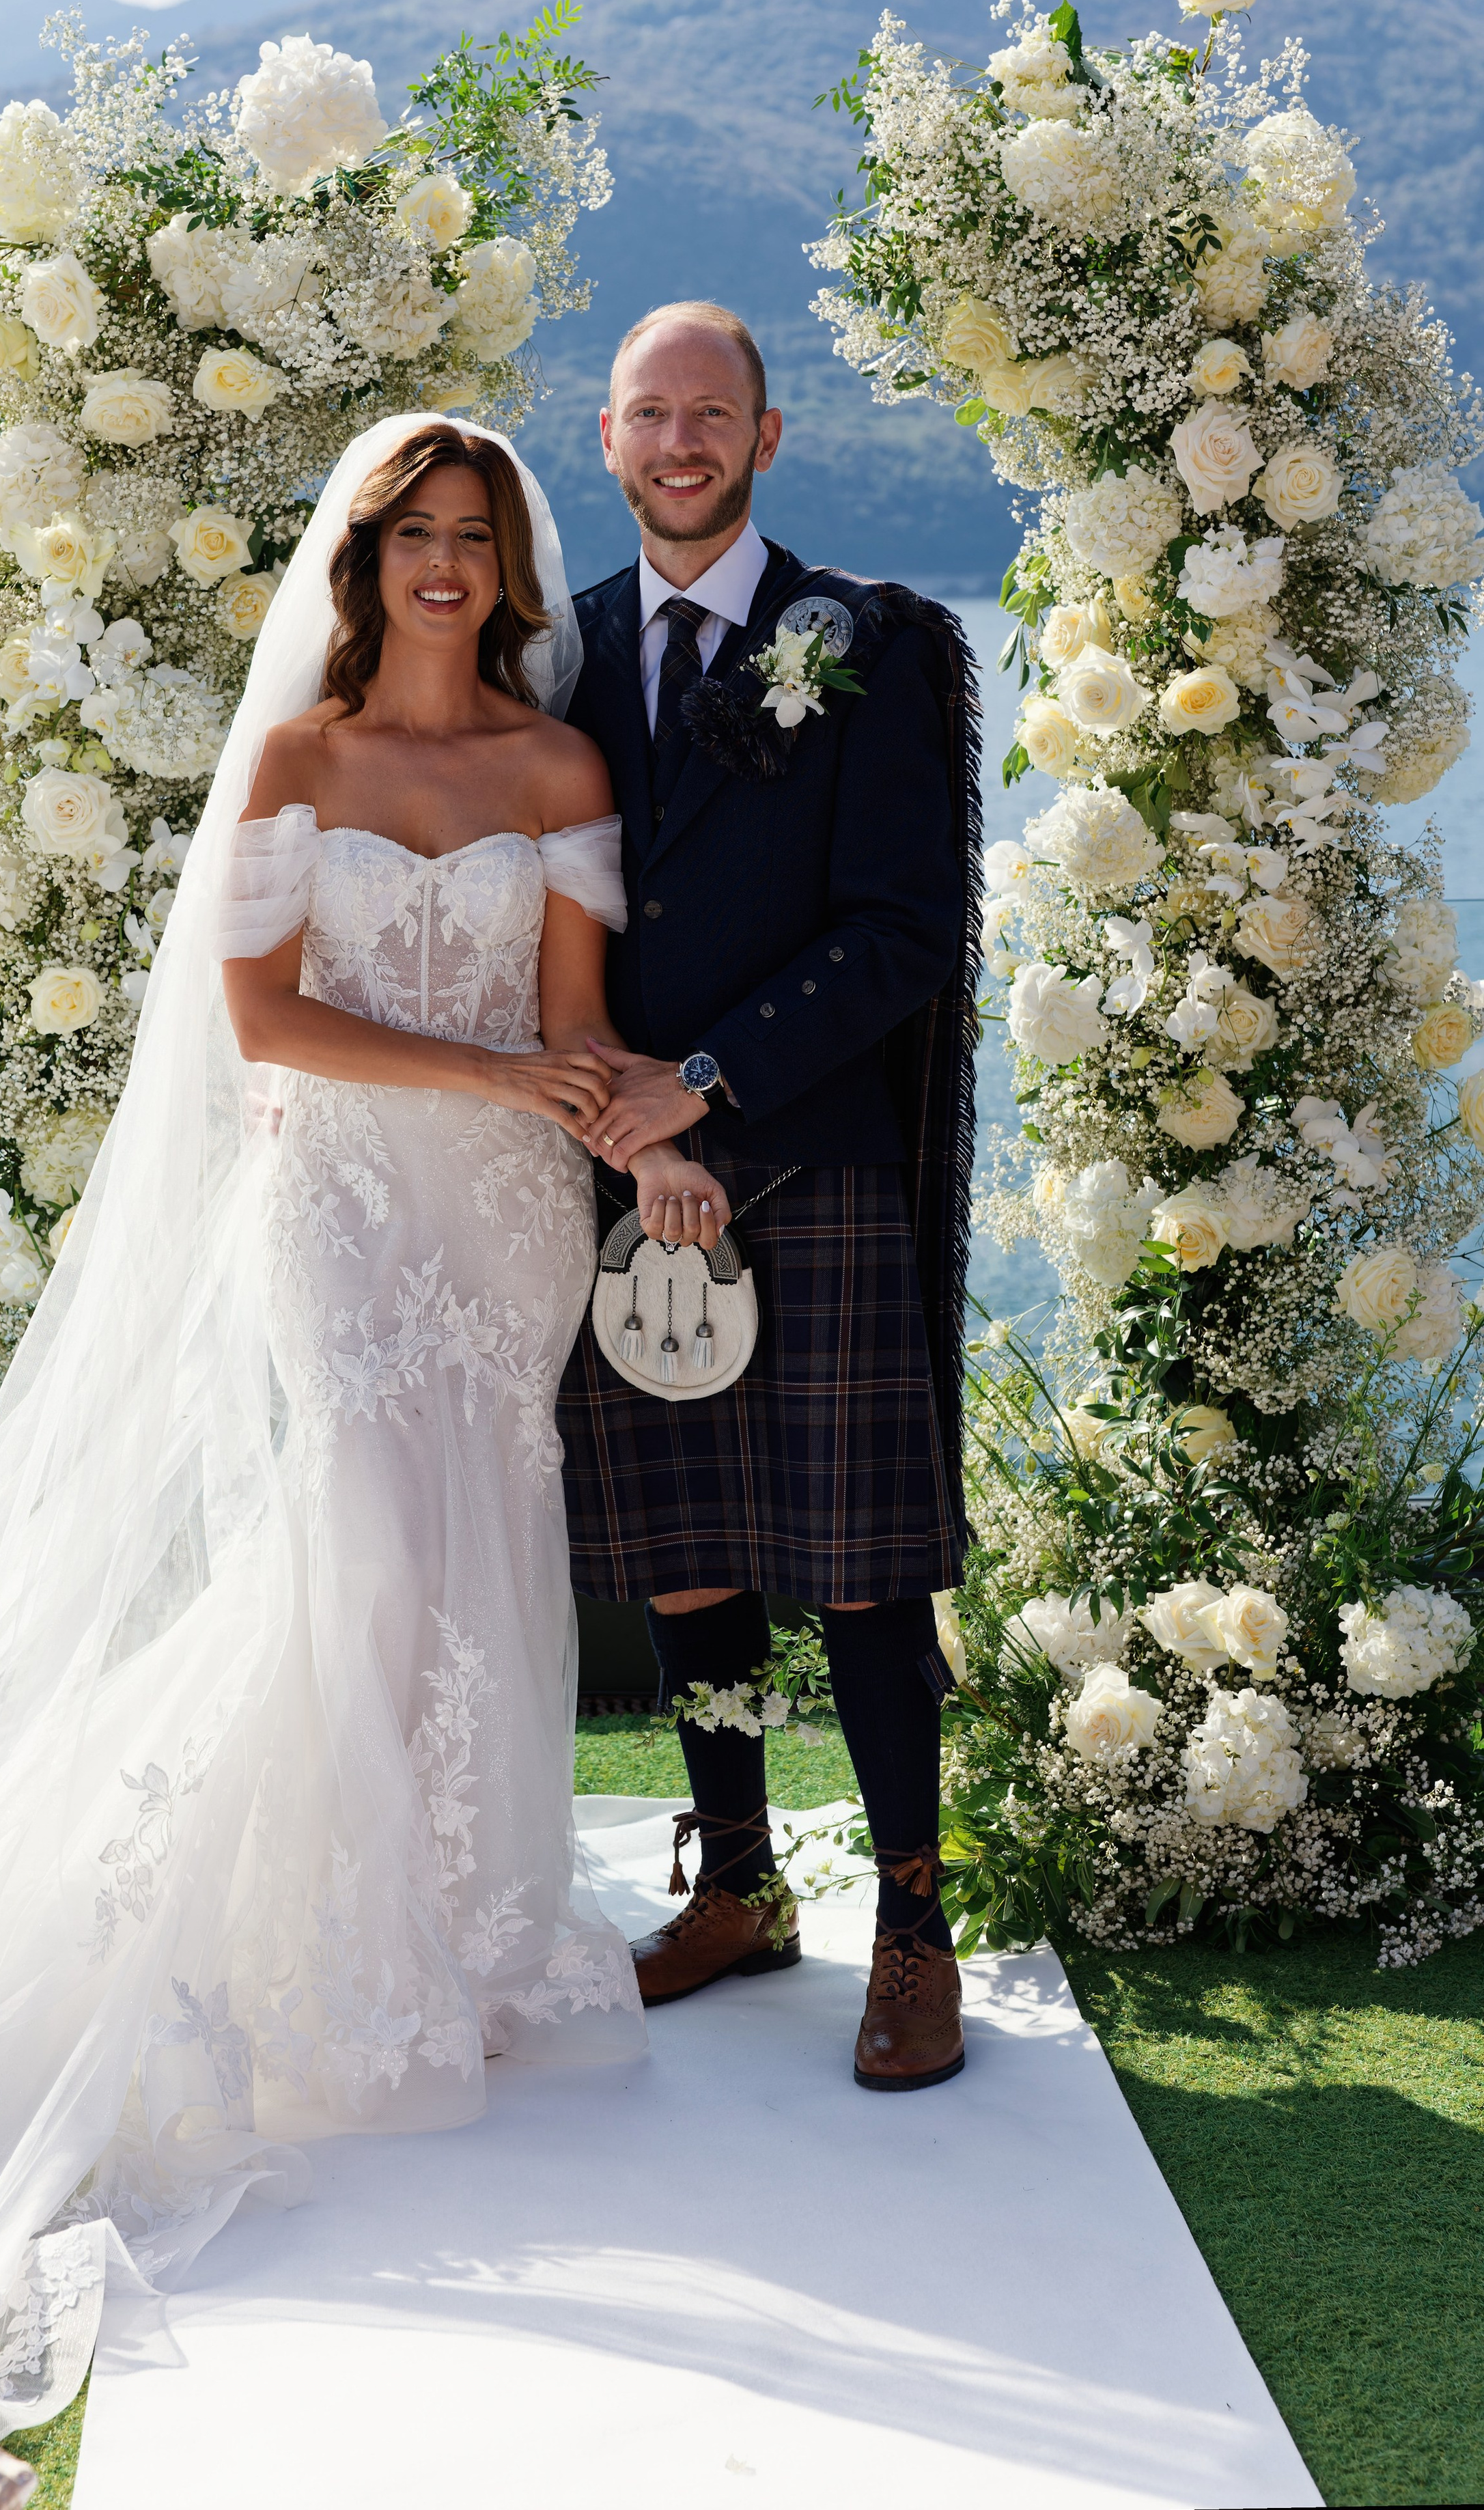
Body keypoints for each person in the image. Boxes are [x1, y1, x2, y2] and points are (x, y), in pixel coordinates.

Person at [0, 417, 713, 2438]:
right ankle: (320, 1976)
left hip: (511, 1221)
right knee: (353, 1551)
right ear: (361, 565)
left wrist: (657, 1142)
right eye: (412, 537)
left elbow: (577, 1018)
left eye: (473, 537)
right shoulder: (299, 761)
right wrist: (489, 1077)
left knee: (472, 1565)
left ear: (510, 568)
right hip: (345, 1203)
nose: (445, 565)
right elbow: (263, 1020)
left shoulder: (558, 770)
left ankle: (462, 1932)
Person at [556, 303, 983, 2090]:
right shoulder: (552, 651)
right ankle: (737, 1881)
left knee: (871, 1580)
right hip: (622, 1178)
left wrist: (708, 1088)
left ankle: (911, 1924)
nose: (680, 443)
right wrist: (628, 1123)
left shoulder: (868, 647)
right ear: (604, 437)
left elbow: (902, 933)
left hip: (810, 1164)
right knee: (691, 1564)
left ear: (767, 436)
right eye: (651, 415)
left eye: (709, 414)